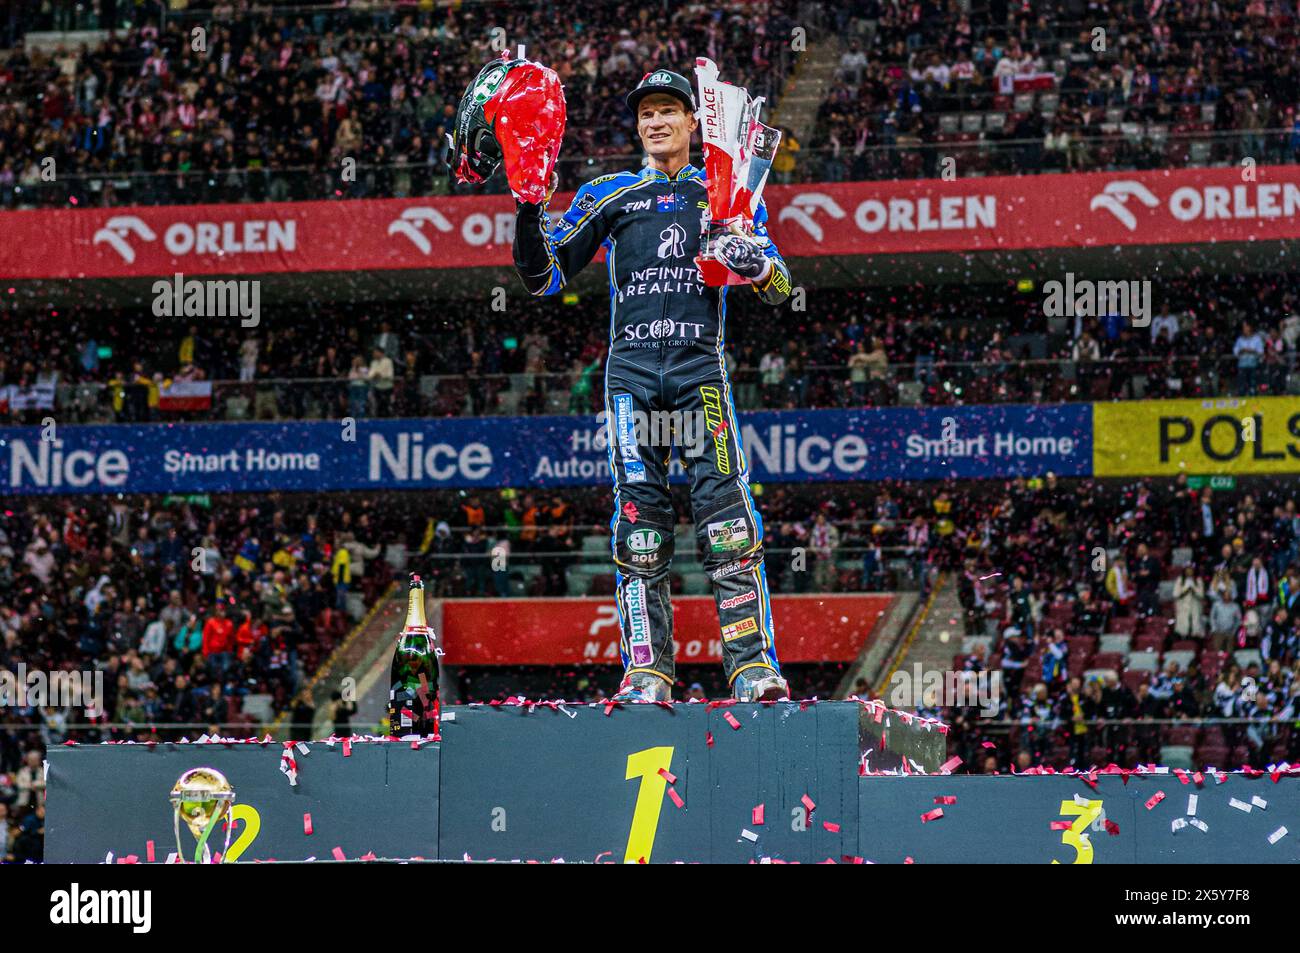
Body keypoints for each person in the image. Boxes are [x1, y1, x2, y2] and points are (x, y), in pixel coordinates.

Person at [512, 69, 793, 702]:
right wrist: (529, 206)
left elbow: (780, 284)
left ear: (695, 122)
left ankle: (751, 669)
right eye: (646, 114)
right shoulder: (608, 195)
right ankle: (648, 671)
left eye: (669, 110)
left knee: (726, 522)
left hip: (701, 374)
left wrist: (755, 262)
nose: (656, 122)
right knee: (640, 525)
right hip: (631, 377)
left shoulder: (728, 190)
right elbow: (544, 279)